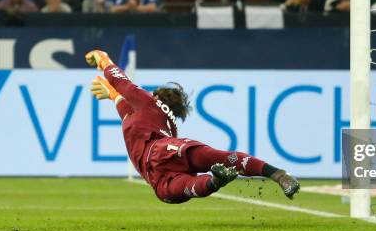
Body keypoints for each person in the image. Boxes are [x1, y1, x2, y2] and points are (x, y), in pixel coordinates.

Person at [85, 50, 300, 204]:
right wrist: (112, 95)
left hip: (159, 159)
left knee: (182, 188)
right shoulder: (158, 121)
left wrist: (103, 59)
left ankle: (215, 181)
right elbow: (128, 113)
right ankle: (273, 175)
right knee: (215, 162)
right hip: (170, 159)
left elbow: (122, 81)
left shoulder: (149, 102)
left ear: (157, 97)